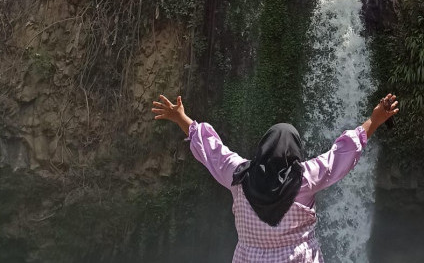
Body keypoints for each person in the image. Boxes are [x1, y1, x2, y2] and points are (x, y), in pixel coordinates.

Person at [151, 93, 399, 262]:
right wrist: (374, 121)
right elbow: (342, 153)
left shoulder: (237, 174)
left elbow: (211, 150)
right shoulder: (305, 179)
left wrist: (180, 118)